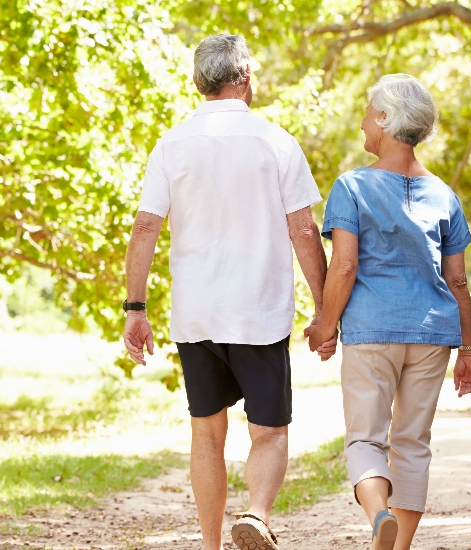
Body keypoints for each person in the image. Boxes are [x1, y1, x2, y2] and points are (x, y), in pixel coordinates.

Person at [123, 33, 334, 550]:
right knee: (269, 431)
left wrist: (135, 309)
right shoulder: (276, 141)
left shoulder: (170, 145)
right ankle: (257, 516)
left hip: (196, 316)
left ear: (199, 82)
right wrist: (327, 311)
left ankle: (211, 545)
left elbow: (144, 228)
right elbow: (305, 231)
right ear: (244, 78)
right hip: (258, 313)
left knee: (206, 434)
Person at [307, 74, 471, 550]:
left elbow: (344, 266)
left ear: (384, 119)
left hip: (371, 332)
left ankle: (378, 514)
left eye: (368, 111)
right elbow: (458, 281)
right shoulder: (445, 194)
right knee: (412, 444)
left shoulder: (351, 186)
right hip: (432, 335)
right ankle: (398, 546)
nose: (363, 121)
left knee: (365, 439)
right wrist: (469, 348)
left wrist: (324, 327)